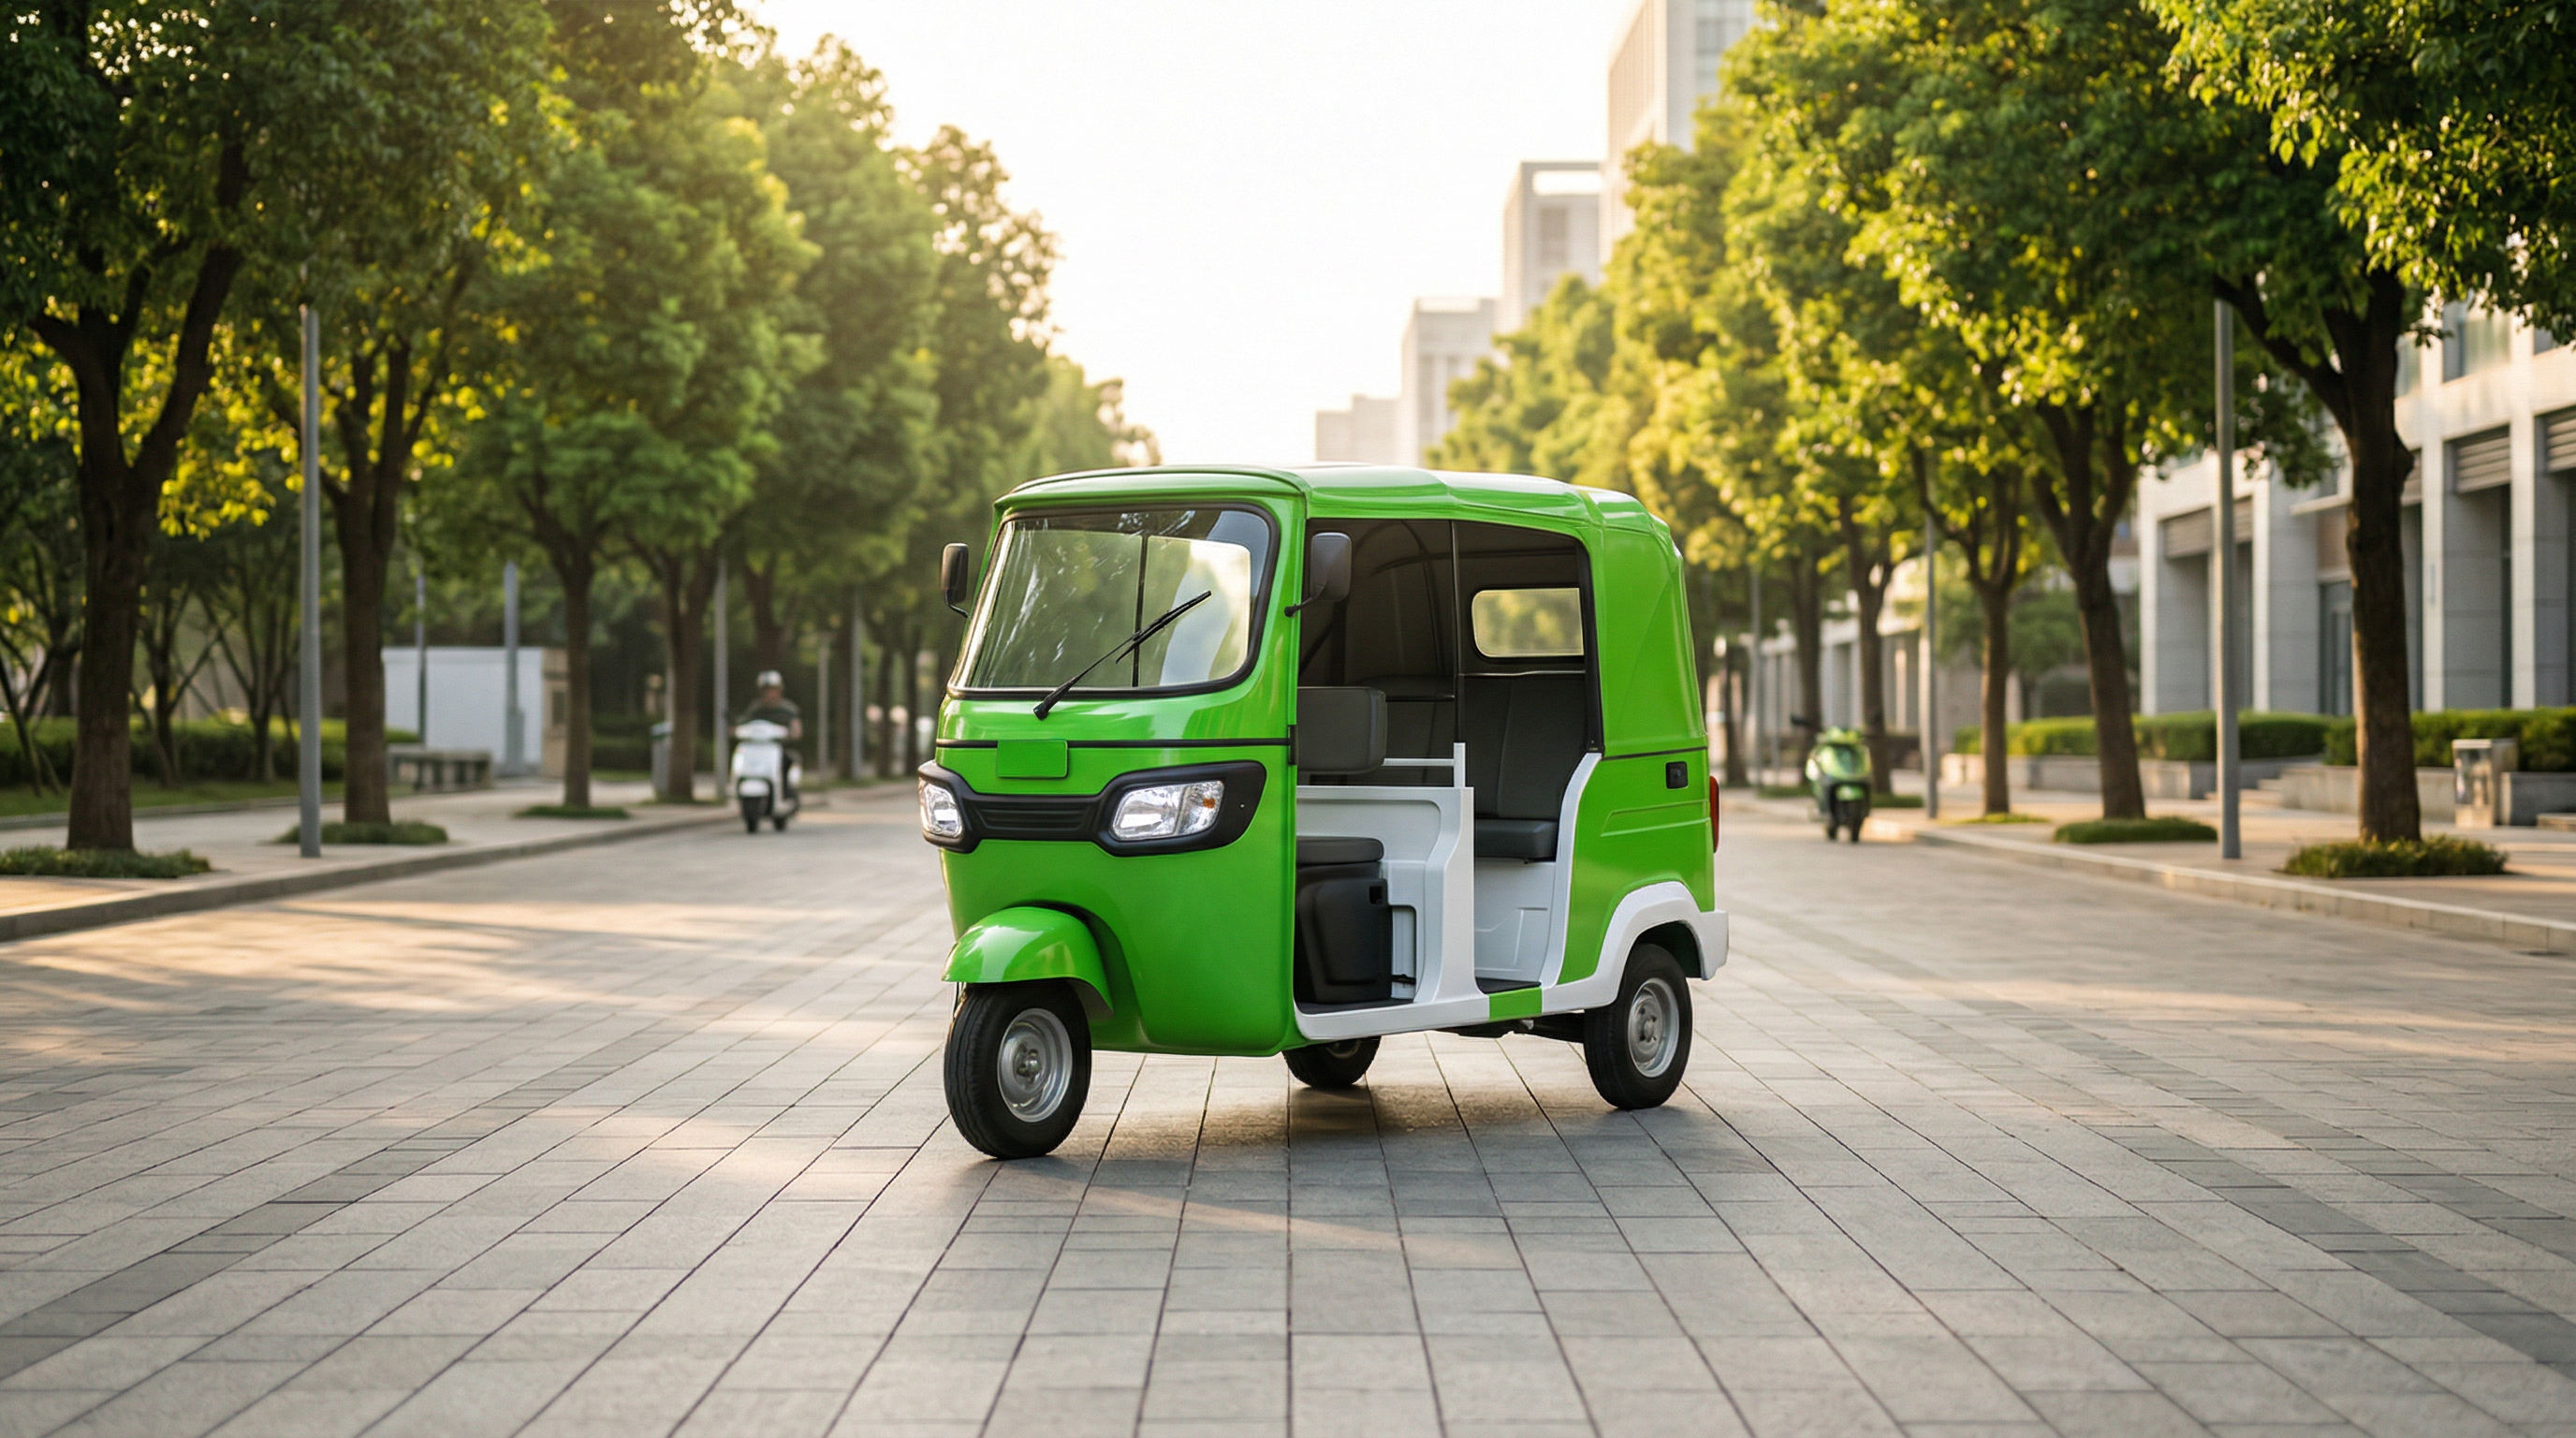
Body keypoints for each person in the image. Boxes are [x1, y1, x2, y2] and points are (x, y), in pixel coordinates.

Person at [738, 670, 802, 803]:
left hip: (778, 748)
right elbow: (744, 722)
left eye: (773, 690)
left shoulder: (787, 709)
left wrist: (793, 733)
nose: (770, 693)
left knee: (787, 761)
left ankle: (786, 791)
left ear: (779, 691)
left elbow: (796, 726)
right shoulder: (756, 708)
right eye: (766, 690)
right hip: (758, 749)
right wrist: (735, 729)